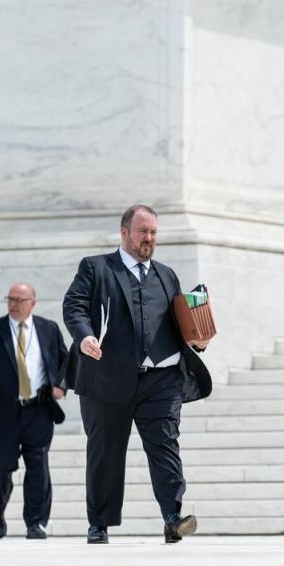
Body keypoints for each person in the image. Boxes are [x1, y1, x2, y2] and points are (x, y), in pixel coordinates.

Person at [62, 205, 212, 544]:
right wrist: (85, 335)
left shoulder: (166, 274)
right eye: (143, 231)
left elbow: (176, 323)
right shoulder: (96, 267)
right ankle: (98, 523)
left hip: (161, 378)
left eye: (154, 233)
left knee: (165, 446)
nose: (149, 238)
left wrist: (198, 341)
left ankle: (172, 517)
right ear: (124, 232)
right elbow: (74, 305)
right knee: (105, 451)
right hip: (107, 376)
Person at [0, 283, 68, 540]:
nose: (13, 304)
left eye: (19, 300)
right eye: (10, 299)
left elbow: (65, 362)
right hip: (2, 413)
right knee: (2, 469)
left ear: (33, 303)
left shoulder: (49, 329)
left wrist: (62, 385)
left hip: (38, 409)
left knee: (39, 467)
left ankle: (35, 523)